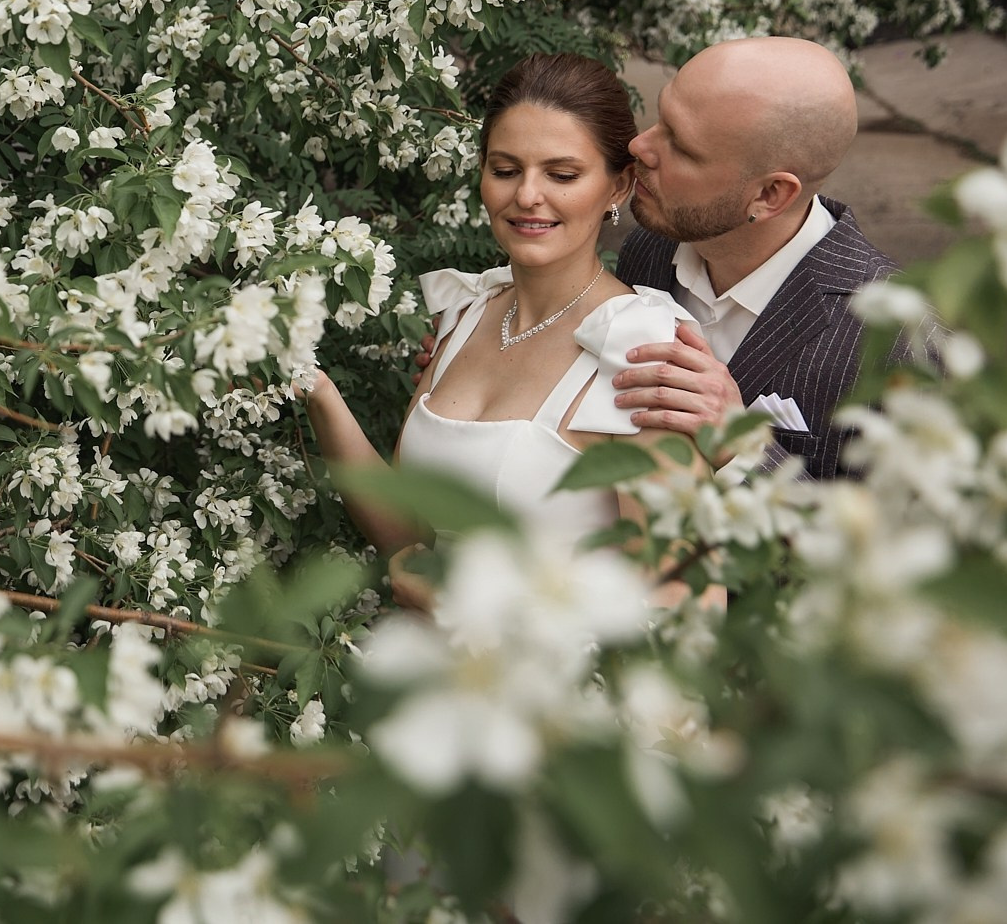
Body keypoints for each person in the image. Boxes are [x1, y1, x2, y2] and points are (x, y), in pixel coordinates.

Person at [303, 53, 701, 598]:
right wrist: (316, 390)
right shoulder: (467, 311)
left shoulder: (644, 351)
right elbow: (412, 531)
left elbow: (681, 613)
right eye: (506, 170)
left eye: (562, 174)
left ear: (618, 187)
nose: (526, 196)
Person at [413, 36, 899, 479]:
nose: (639, 146)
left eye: (681, 147)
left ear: (770, 194)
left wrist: (744, 449)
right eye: (661, 119)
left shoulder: (897, 340)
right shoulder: (651, 249)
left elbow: (905, 567)